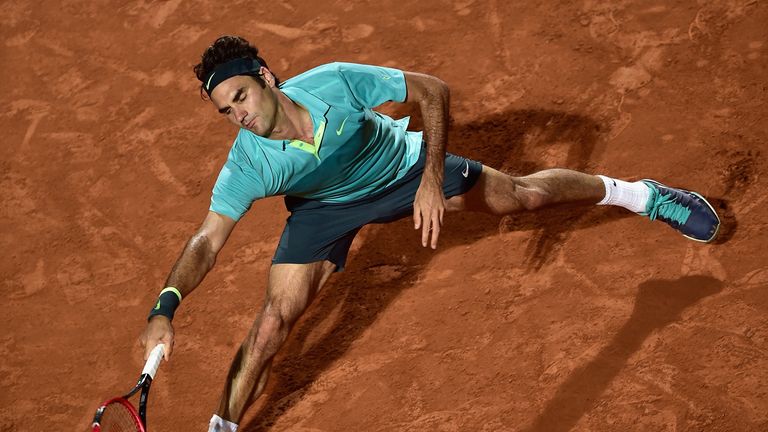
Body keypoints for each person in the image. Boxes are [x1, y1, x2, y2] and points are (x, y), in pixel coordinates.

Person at [139, 35, 720, 431]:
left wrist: (430, 177)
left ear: (265, 78)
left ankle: (641, 194)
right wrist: (165, 308)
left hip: (404, 168)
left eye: (240, 96)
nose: (238, 114)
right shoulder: (248, 163)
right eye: (225, 110)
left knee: (525, 196)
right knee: (272, 322)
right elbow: (207, 240)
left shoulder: (337, 83)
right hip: (324, 211)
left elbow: (432, 90)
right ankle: (223, 425)